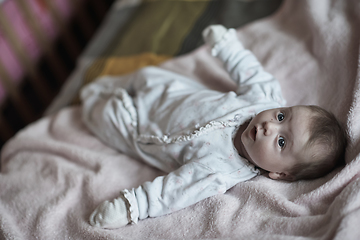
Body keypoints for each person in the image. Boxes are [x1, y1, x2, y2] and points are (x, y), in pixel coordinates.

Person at [80, 25, 347, 229]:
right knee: (144, 75)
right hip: (168, 90)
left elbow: (172, 192)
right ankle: (104, 84)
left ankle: (88, 97)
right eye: (281, 117)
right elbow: (248, 69)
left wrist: (130, 207)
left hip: (139, 129)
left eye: (281, 142)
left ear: (280, 175)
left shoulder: (220, 171)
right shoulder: (264, 98)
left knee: (100, 116)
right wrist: (225, 44)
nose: (269, 127)